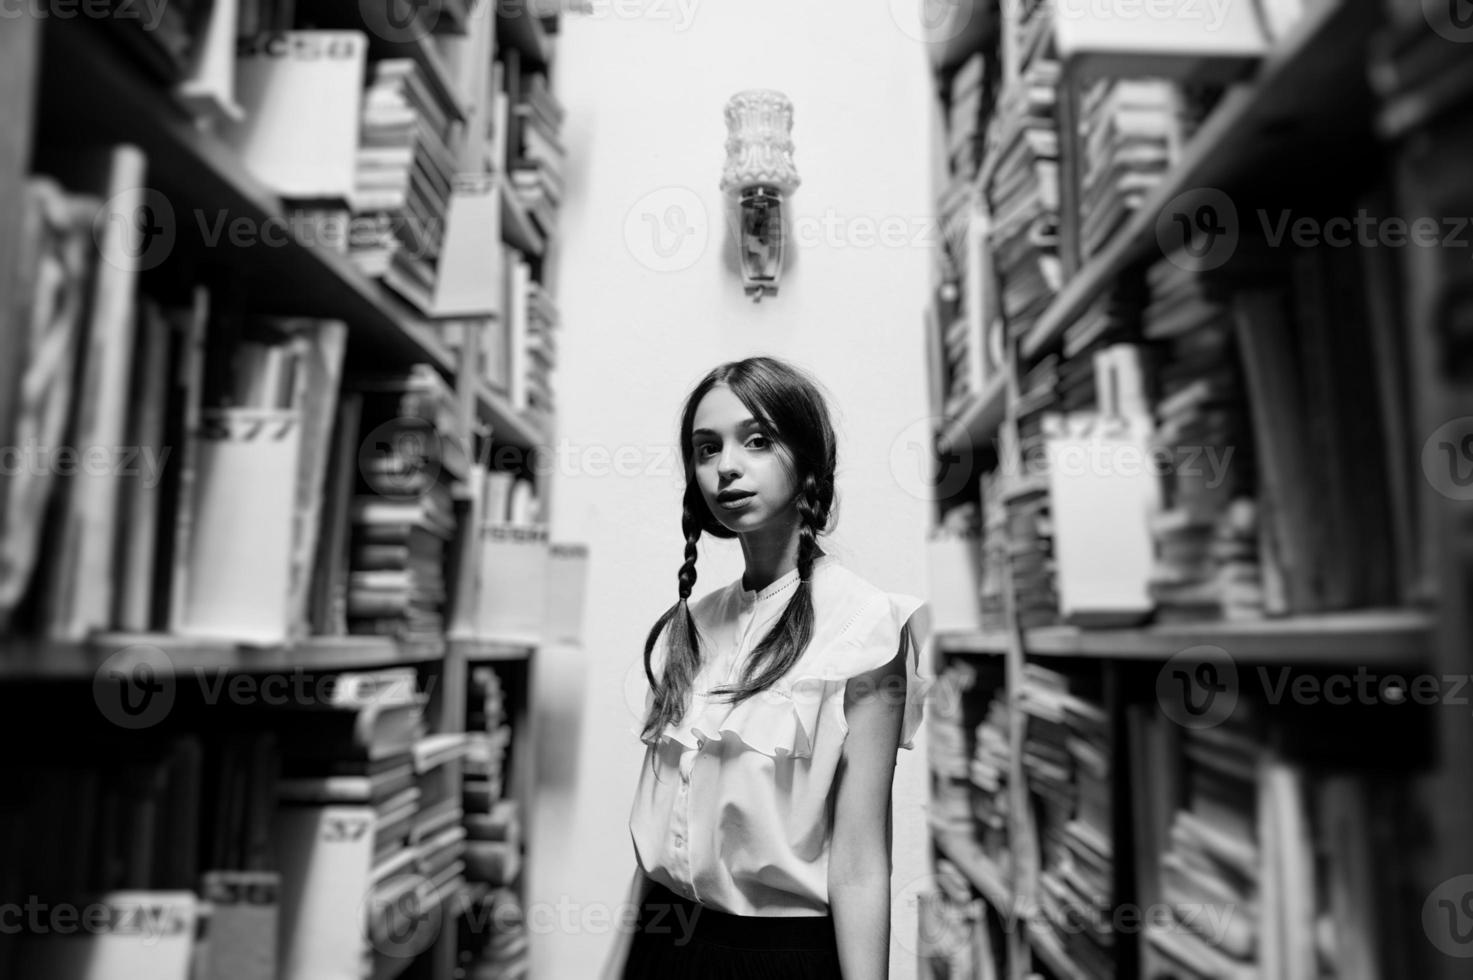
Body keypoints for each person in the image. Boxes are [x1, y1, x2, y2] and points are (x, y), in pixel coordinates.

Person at [607, 356, 931, 980]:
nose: (726, 466)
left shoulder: (866, 627)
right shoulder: (691, 624)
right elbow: (666, 831)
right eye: (707, 449)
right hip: (661, 940)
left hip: (778, 957)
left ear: (807, 461)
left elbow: (861, 861)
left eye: (757, 441)